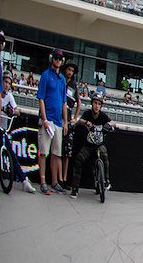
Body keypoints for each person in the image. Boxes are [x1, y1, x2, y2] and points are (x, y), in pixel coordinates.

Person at [69, 94, 117, 199]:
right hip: (88, 146)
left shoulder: (103, 116)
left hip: (99, 145)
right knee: (79, 160)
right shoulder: (87, 113)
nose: (97, 106)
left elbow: (113, 123)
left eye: (99, 104)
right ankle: (75, 188)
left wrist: (109, 125)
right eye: (95, 103)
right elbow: (79, 120)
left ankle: (106, 181)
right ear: (92, 104)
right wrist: (86, 122)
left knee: (105, 156)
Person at [36, 48, 69, 194]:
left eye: (60, 58)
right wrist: (44, 119)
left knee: (56, 153)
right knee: (44, 152)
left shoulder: (62, 79)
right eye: (56, 58)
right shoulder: (45, 75)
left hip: (58, 122)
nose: (58, 60)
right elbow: (41, 98)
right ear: (52, 59)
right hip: (47, 120)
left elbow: (64, 102)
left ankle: (55, 182)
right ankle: (43, 181)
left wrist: (65, 121)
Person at [0, 74, 37, 193]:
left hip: (3, 128)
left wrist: (12, 110)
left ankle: (24, 180)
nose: (7, 85)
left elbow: (17, 111)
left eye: (9, 83)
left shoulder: (9, 96)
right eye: (5, 82)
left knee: (12, 154)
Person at [60, 61, 81, 189]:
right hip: (58, 118)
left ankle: (64, 178)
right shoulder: (60, 80)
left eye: (72, 71)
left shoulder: (74, 86)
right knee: (57, 151)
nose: (70, 72)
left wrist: (74, 118)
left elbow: (79, 103)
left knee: (67, 153)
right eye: (69, 70)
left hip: (68, 120)